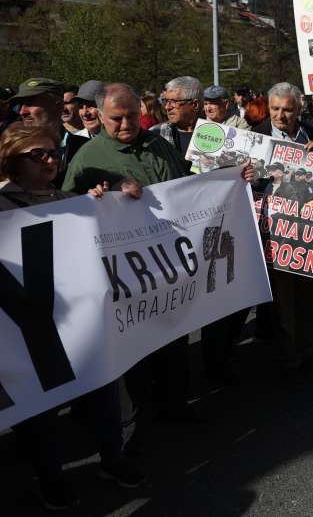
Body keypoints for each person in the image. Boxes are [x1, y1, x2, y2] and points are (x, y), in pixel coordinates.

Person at [0, 124, 144, 508]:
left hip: (82, 321)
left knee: (103, 391)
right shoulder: (2, 206)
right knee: (42, 409)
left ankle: (113, 459)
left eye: (53, 153)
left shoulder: (68, 199)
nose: (49, 160)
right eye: (37, 154)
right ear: (12, 160)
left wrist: (112, 197)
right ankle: (50, 478)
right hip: (33, 328)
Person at [62, 83, 202, 450]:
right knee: (136, 346)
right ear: (99, 116)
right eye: (116, 119)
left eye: (131, 116)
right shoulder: (88, 157)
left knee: (175, 335)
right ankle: (138, 418)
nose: (126, 124)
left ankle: (175, 403)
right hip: (126, 272)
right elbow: (67, 208)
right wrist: (100, 195)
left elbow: (187, 186)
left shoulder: (159, 144)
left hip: (170, 260)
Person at [251, 82, 313, 377]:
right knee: (282, 296)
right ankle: (288, 355)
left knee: (309, 294)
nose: (280, 115)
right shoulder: (256, 136)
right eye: (275, 109)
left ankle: (306, 348)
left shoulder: (312, 135)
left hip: (309, 229)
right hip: (274, 229)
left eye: (287, 109)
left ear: (299, 108)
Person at [11, 77, 85, 186]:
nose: (22, 112)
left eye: (30, 103)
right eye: (20, 104)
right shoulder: (11, 148)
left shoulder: (84, 148)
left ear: (58, 107)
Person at [155, 76, 203, 157]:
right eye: (166, 101)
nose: (167, 107)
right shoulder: (156, 134)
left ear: (195, 105)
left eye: (174, 101)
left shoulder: (217, 135)